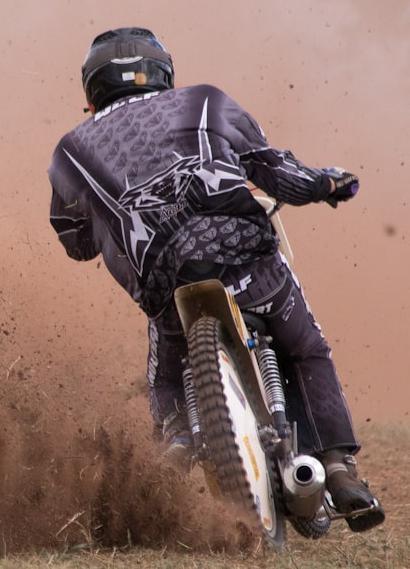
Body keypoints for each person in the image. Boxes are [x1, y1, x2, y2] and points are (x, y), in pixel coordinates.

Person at [47, 27, 385, 532]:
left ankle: (177, 439)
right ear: (163, 71)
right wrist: (328, 184)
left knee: (164, 369)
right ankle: (338, 470)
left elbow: (75, 243)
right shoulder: (204, 103)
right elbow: (274, 172)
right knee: (306, 348)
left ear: (91, 91)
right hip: (246, 259)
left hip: (165, 284)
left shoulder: (71, 151)